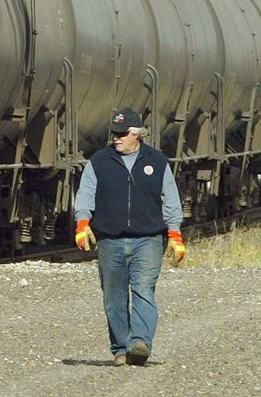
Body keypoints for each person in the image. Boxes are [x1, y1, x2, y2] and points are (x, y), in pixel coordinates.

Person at [72, 107, 186, 367]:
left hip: (148, 239)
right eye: (114, 134)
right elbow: (86, 193)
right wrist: (82, 222)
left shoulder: (157, 161)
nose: (117, 138)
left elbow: (170, 199)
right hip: (109, 240)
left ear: (138, 134)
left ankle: (140, 342)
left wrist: (175, 234)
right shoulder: (99, 162)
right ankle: (121, 349)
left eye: (122, 134)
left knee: (144, 290)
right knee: (113, 298)